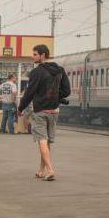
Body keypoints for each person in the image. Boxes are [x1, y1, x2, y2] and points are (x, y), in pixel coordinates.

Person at [18, 44, 71, 181]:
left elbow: (30, 92)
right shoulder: (60, 70)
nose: (32, 56)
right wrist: (56, 97)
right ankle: (41, 170)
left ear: (42, 55)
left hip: (41, 110)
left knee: (42, 140)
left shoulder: (37, 72)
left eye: (35, 54)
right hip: (54, 110)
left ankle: (50, 170)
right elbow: (67, 91)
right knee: (46, 142)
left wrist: (20, 108)